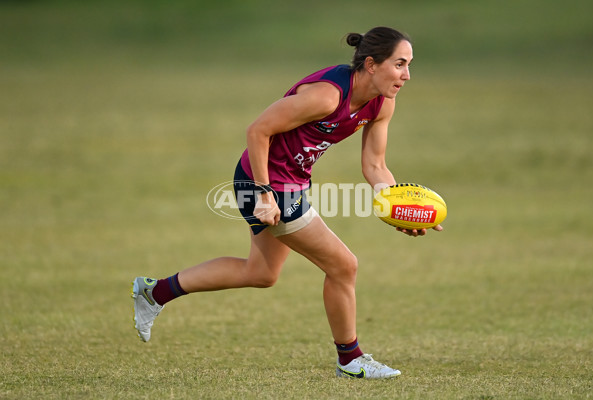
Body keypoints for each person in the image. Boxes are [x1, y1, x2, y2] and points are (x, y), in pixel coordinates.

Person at [132, 26, 442, 379]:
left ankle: (154, 292)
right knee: (344, 266)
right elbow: (258, 130)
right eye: (400, 64)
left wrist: (399, 208)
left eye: (409, 65)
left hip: (290, 182)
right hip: (263, 181)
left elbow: (375, 166)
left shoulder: (382, 102)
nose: (407, 74)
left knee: (261, 273)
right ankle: (350, 360)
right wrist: (263, 194)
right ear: (371, 64)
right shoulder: (327, 97)